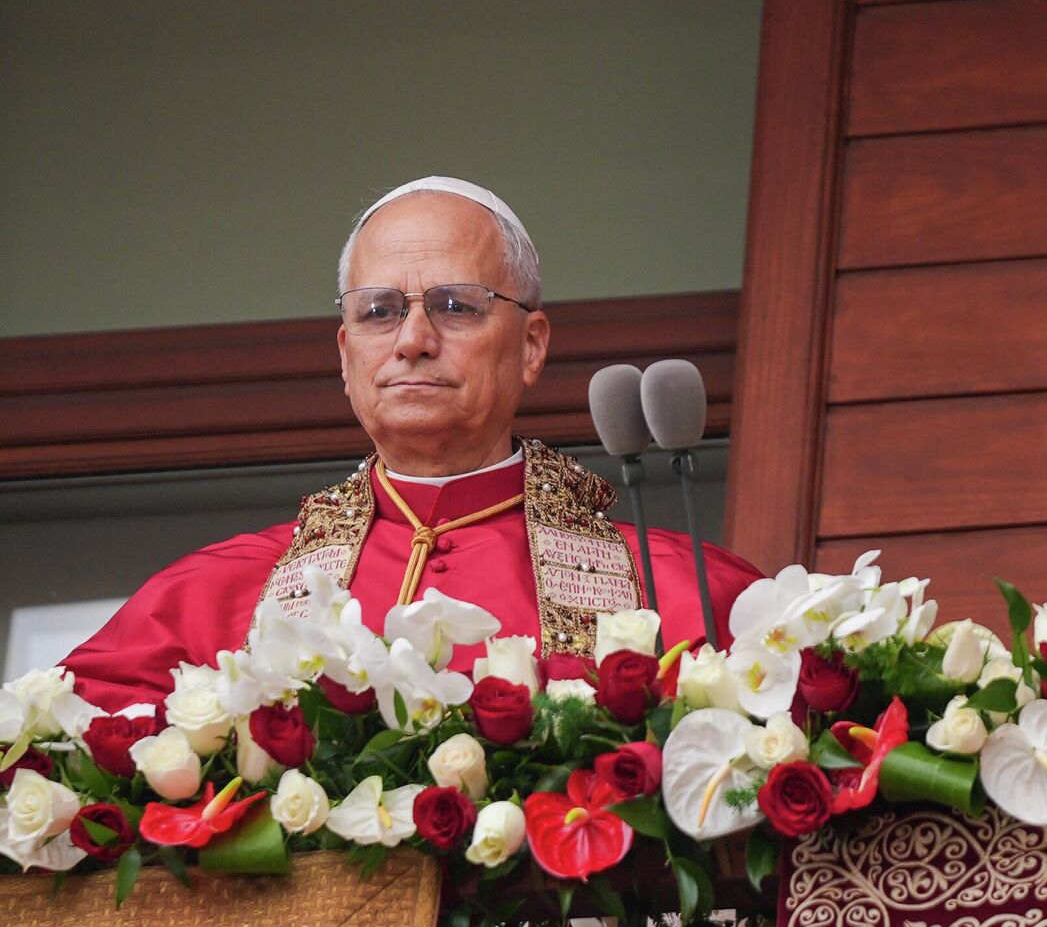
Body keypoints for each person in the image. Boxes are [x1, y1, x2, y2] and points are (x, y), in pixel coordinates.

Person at [62, 176, 760, 711]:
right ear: (345, 355)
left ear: (531, 346)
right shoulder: (210, 599)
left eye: (456, 306)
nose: (413, 340)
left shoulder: (686, 593)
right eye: (378, 311)